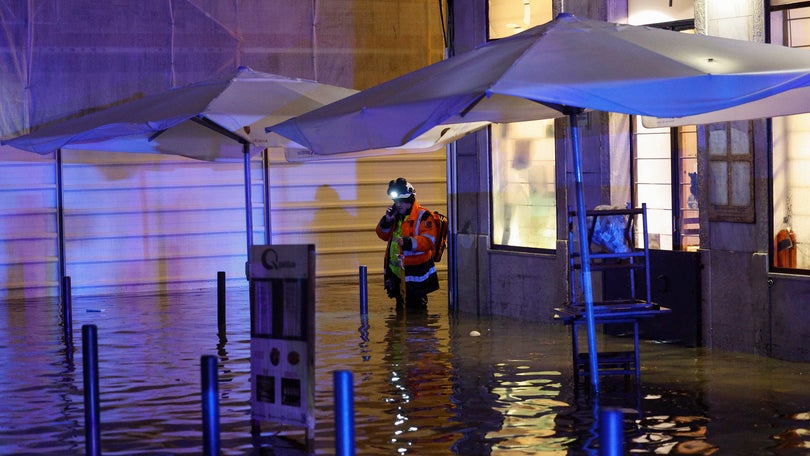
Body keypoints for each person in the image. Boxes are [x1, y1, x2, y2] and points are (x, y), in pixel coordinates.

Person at [376, 177, 440, 310]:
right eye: (396, 201)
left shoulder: (423, 216)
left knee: (417, 312)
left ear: (410, 200)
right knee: (401, 309)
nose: (398, 205)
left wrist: (408, 242)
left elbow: (429, 241)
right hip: (397, 273)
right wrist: (387, 221)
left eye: (402, 202)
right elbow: (382, 235)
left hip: (416, 274)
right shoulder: (395, 216)